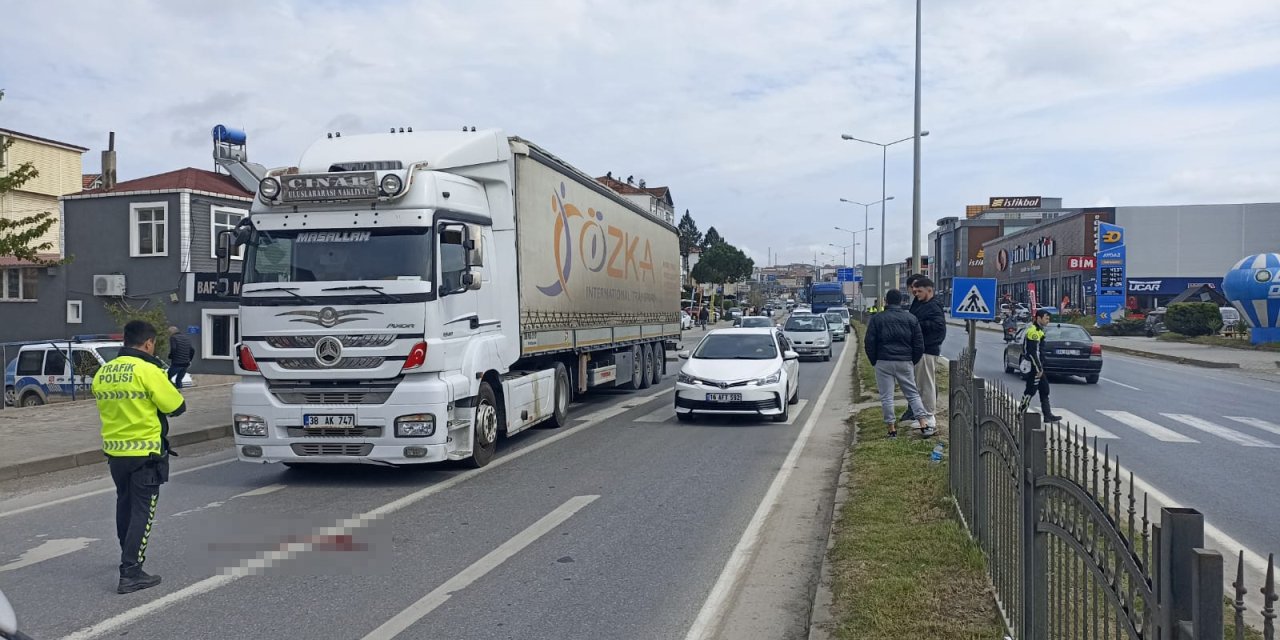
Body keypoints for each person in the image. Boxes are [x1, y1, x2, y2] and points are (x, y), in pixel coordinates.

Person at [94, 320, 187, 594]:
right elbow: (177, 406)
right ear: (148, 343)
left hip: (115, 452)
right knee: (142, 512)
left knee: (124, 505)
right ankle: (131, 572)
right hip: (145, 452)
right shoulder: (148, 370)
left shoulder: (105, 371)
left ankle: (126, 555)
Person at [864, 289, 931, 438]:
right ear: (901, 301)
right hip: (905, 361)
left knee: (887, 397)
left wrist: (874, 360)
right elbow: (919, 344)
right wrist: (912, 360)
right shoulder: (911, 319)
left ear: (886, 301)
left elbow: (869, 342)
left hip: (883, 361)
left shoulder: (877, 318)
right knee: (912, 394)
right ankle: (923, 424)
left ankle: (891, 429)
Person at [903, 277, 944, 435]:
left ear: (929, 290)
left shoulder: (933, 307)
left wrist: (915, 324)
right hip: (919, 349)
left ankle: (929, 417)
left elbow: (938, 328)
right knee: (920, 384)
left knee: (926, 384)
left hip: (927, 350)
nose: (915, 293)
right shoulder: (919, 304)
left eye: (919, 291)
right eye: (914, 290)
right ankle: (922, 415)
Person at [1018, 309, 1062, 423]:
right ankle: (1021, 413)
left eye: (1048, 318)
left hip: (1039, 366)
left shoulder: (1040, 331)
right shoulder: (1033, 331)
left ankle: (1047, 415)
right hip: (1034, 367)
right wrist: (1038, 368)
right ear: (1038, 318)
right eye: (1046, 318)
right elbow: (1032, 352)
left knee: (1044, 389)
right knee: (1030, 390)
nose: (1048, 320)